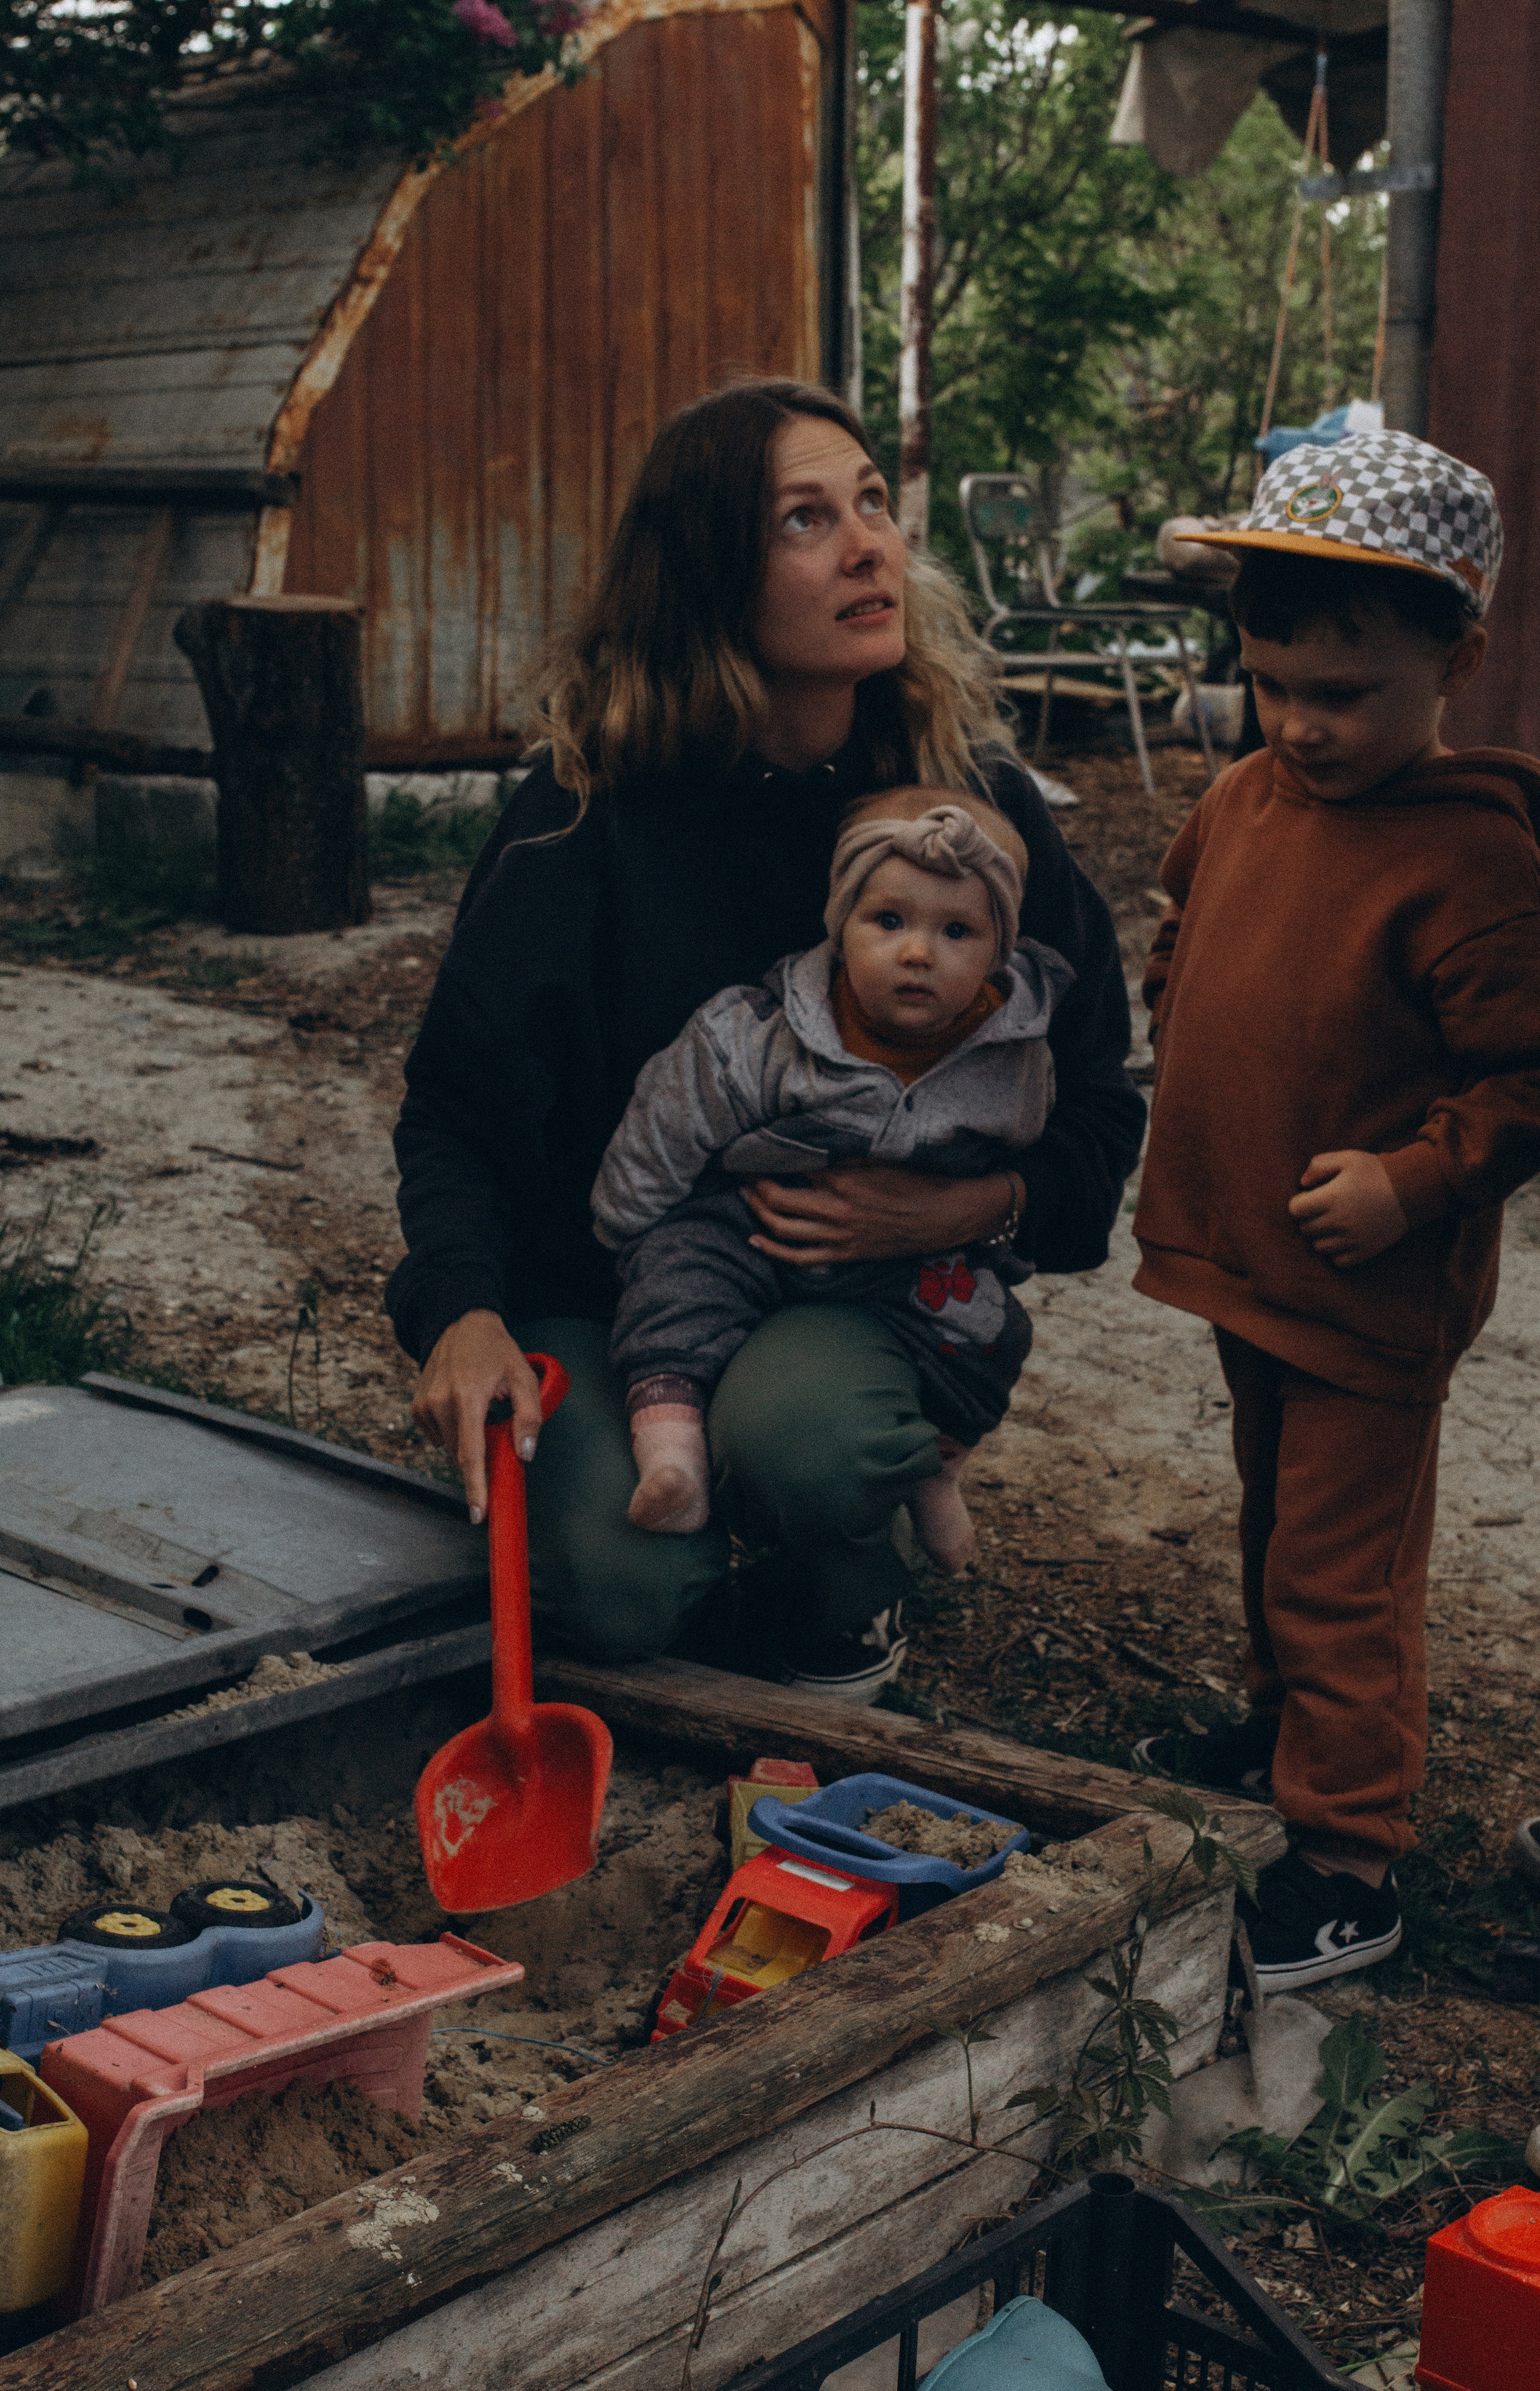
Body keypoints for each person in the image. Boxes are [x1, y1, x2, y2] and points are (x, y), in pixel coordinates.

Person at [387, 377, 1145, 1704]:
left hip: (860, 1290)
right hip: (608, 1276)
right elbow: (457, 1104)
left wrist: (975, 1198)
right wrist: (463, 1309)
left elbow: (1093, 1091)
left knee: (797, 1447)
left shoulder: (972, 815)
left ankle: (833, 1598)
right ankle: (674, 1551)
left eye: (870, 503)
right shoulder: (584, 819)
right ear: (706, 580)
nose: (867, 545)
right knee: (614, 1591)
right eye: (805, 520)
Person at [1131, 428, 1540, 1987]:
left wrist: (1413, 1180)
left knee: (1342, 1568)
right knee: (1275, 1529)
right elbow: (1189, 920)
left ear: (1451, 657)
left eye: (1341, 697)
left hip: (1368, 1289)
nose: (1299, 727)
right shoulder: (1249, 795)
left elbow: (1536, 1072)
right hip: (1252, 1258)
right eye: (1270, 686)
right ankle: (1280, 1732)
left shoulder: (1465, 855)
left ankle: (1345, 1853)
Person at [593, 792, 1071, 1575]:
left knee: (988, 1329)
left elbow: (1024, 1148)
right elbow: (668, 1120)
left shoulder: (1015, 1055)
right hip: (746, 1223)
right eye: (888, 921)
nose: (919, 952)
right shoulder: (760, 1035)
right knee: (677, 1283)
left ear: (999, 952)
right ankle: (670, 1450)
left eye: (957, 931)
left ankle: (937, 1471)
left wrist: (978, 1222)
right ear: (840, 928)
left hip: (905, 1250)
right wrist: (627, 1223)